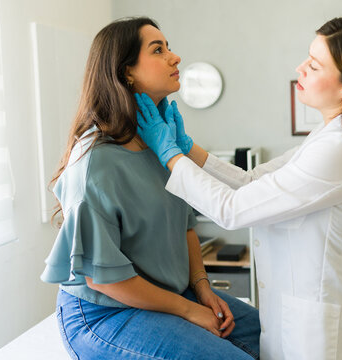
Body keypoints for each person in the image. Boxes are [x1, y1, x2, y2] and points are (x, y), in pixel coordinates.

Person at [136, 15, 342, 360]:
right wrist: (186, 147)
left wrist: (169, 154)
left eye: (314, 66)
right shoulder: (332, 135)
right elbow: (254, 182)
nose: (300, 68)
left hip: (327, 338)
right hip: (303, 320)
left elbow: (233, 209)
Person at [41, 17, 260, 360]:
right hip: (107, 311)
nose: (175, 57)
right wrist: (188, 310)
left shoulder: (160, 146)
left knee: (272, 337)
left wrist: (202, 286)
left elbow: (185, 223)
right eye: (158, 50)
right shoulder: (96, 162)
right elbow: (103, 279)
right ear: (125, 72)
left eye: (168, 48)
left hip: (170, 293)